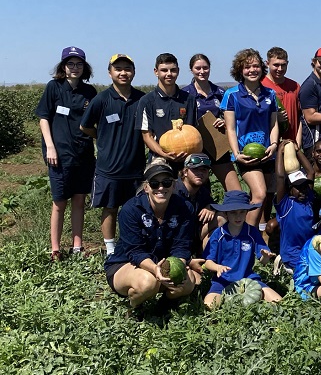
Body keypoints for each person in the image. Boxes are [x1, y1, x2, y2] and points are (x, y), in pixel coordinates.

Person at [103, 162, 200, 311]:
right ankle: (135, 308)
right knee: (148, 283)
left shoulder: (185, 208)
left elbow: (182, 246)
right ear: (146, 187)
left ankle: (163, 307)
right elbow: (135, 251)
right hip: (127, 264)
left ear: (174, 186)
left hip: (164, 265)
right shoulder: (131, 209)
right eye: (155, 183)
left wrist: (175, 269)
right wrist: (156, 269)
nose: (161, 188)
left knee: (187, 283)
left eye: (167, 182)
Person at [80, 54, 146, 257]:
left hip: (136, 168)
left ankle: (133, 244)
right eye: (118, 69)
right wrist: (102, 137)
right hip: (109, 167)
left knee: (136, 210)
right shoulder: (101, 99)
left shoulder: (142, 99)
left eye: (127, 68)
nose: (123, 72)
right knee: (110, 208)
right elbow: (85, 126)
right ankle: (110, 249)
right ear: (110, 73)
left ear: (133, 72)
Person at [36, 46, 97, 261]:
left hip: (83, 153)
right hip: (59, 154)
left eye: (79, 64)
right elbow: (44, 117)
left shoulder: (90, 92)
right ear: (63, 66)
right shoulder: (54, 88)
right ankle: (55, 249)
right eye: (70, 64)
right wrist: (50, 146)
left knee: (79, 200)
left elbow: (93, 123)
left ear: (84, 67)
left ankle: (77, 246)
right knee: (59, 202)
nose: (75, 68)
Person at [221, 48, 280, 227]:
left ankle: (261, 236)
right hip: (247, 154)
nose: (252, 70)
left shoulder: (270, 94)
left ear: (262, 68)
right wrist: (236, 153)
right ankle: (246, 236)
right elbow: (230, 128)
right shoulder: (232, 95)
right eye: (247, 67)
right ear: (240, 70)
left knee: (267, 197)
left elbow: (274, 124)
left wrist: (274, 144)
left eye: (256, 66)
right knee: (259, 194)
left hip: (267, 152)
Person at [202, 190, 281, 308]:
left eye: (242, 212)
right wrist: (217, 267)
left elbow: (263, 261)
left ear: (247, 212)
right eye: (233, 213)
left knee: (278, 302)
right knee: (209, 306)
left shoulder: (252, 232)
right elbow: (208, 262)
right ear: (226, 214)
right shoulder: (218, 234)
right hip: (222, 281)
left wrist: (265, 257)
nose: (238, 216)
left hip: (248, 279)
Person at [181, 54, 241, 192]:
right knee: (198, 193)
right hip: (195, 151)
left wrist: (224, 121)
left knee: (236, 192)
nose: (202, 71)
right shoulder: (184, 94)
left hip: (219, 148)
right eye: (198, 68)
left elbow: (232, 117)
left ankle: (231, 213)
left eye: (205, 68)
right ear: (191, 70)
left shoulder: (220, 93)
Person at [137, 53, 198, 173]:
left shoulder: (189, 99)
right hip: (159, 158)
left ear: (178, 71)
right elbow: (147, 136)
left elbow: (193, 130)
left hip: (187, 159)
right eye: (164, 70)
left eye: (173, 70)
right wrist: (164, 153)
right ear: (156, 72)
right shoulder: (147, 101)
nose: (169, 74)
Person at [273, 140, 316, 274]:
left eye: (304, 186)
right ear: (290, 189)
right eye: (298, 188)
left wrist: (297, 151)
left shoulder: (308, 199)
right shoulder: (285, 204)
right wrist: (279, 153)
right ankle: (283, 262)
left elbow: (311, 172)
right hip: (292, 254)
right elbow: (280, 177)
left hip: (307, 250)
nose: (302, 190)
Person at [175, 153, 217, 255]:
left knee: (221, 218)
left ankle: (205, 259)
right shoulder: (173, 190)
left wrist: (211, 207)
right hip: (173, 238)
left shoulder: (203, 192)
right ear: (185, 172)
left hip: (193, 236)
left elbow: (216, 204)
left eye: (204, 170)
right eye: (195, 169)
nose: (200, 173)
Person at [262, 47, 301, 143]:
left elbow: (301, 117)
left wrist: (298, 141)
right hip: (269, 144)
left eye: (283, 65)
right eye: (276, 65)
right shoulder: (261, 85)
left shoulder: (295, 86)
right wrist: (274, 118)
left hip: (292, 143)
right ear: (267, 63)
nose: (280, 69)